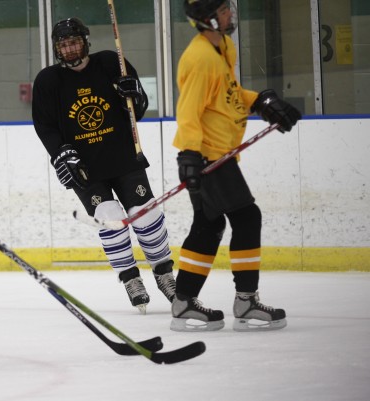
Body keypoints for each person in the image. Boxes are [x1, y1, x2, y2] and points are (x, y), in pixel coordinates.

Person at [171, 0, 301, 332]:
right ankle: (245, 301)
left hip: (218, 154)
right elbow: (188, 111)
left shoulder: (224, 47)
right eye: (223, 9)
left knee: (208, 224)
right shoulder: (199, 58)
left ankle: (183, 302)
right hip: (209, 157)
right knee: (247, 217)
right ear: (207, 18)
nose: (230, 13)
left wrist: (260, 101)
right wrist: (189, 154)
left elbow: (228, 94)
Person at [32, 17, 176, 315]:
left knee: (145, 214)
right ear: (56, 49)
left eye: (74, 42)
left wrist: (134, 95)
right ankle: (131, 280)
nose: (69, 49)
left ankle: (164, 273)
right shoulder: (48, 80)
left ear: (85, 42)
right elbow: (44, 126)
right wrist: (60, 154)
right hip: (84, 167)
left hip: (122, 156)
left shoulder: (112, 62)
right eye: (63, 45)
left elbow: (137, 110)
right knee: (109, 218)